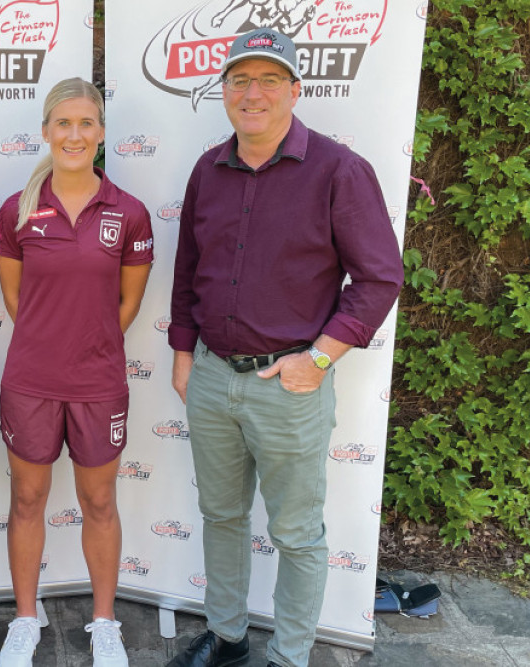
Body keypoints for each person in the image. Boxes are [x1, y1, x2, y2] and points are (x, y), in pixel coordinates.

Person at [166, 29, 403, 667]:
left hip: (290, 384)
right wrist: (184, 354)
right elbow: (189, 266)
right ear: (223, 92)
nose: (253, 93)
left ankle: (290, 656)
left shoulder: (338, 170)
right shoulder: (207, 169)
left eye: (270, 79)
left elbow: (380, 277)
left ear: (296, 90)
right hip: (213, 378)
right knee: (220, 516)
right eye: (240, 79)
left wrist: (318, 358)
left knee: (296, 534)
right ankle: (228, 636)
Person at [0, 77, 153, 667]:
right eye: (64, 123)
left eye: (86, 123)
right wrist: (50, 341)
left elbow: (127, 306)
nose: (75, 134)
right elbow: (15, 301)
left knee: (100, 502)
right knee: (28, 499)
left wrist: (87, 344)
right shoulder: (19, 210)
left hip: (98, 383)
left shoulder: (129, 213)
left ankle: (104, 621)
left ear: (102, 133)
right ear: (45, 131)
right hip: (31, 382)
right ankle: (25, 619)